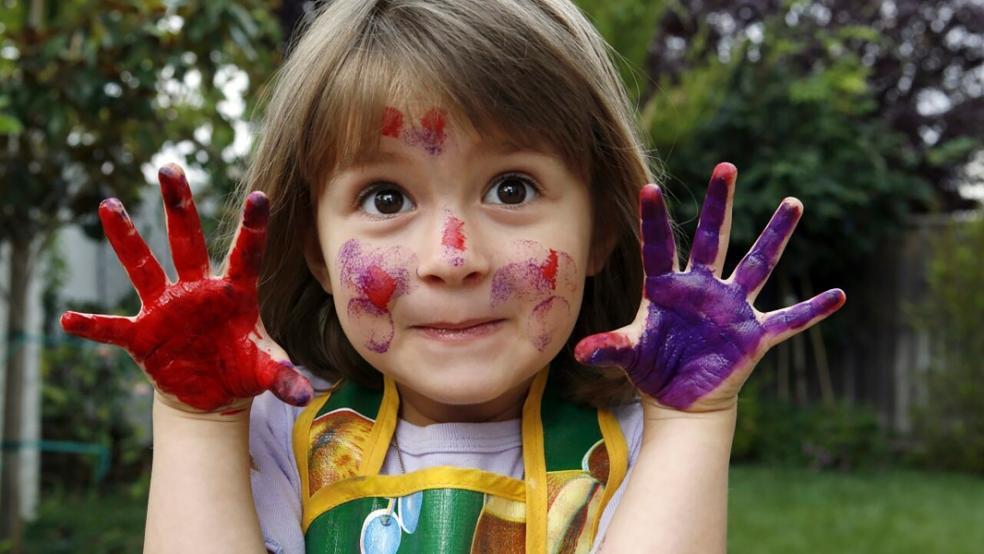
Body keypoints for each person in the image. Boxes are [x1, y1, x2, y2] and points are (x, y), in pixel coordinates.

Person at [61, 0, 846, 552]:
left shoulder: (639, 446)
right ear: (314, 251)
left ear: (603, 231)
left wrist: (693, 424)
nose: (451, 256)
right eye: (386, 196)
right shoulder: (279, 439)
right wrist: (196, 421)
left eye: (512, 188)